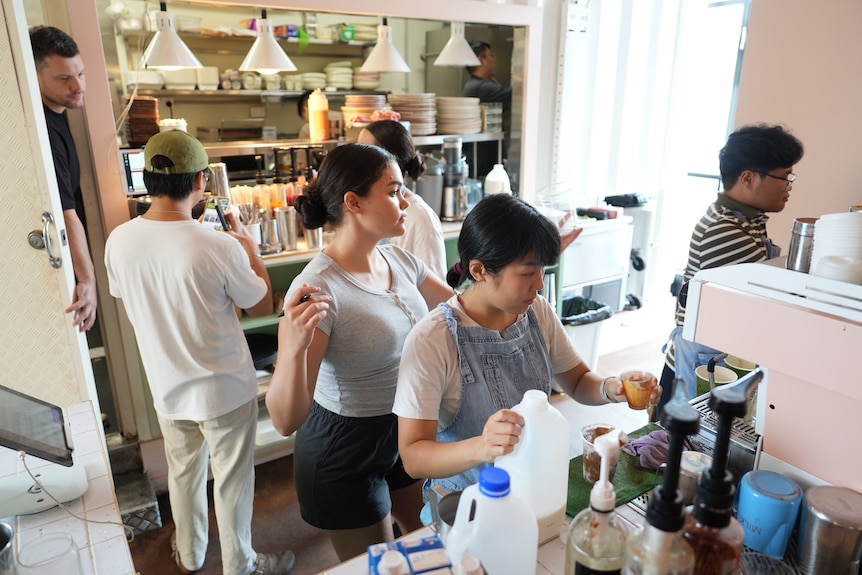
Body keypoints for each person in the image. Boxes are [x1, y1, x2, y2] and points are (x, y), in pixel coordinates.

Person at [105, 130, 296, 575]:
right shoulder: (217, 245)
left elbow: (123, 293)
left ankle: (189, 554)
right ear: (199, 182)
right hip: (224, 388)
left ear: (148, 180)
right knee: (232, 481)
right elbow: (261, 304)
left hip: (167, 384)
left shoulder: (120, 240)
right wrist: (252, 252)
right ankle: (240, 565)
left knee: (184, 473)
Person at [392, 194, 661, 497]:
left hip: (536, 485)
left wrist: (612, 388)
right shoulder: (433, 339)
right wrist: (482, 446)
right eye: (527, 273)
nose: (540, 284)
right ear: (479, 271)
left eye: (542, 270)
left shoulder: (537, 311)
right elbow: (414, 456)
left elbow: (577, 380)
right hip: (468, 501)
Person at [265, 143, 454, 561]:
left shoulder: (400, 260)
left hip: (403, 426)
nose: (406, 200)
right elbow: (283, 419)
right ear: (353, 202)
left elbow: (460, 309)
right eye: (394, 190)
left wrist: (510, 272)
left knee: (430, 549)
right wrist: (293, 349)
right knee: (383, 564)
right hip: (345, 449)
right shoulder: (317, 289)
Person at [654, 123, 804, 417]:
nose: (789, 186)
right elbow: (774, 301)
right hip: (704, 364)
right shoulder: (724, 230)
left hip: (711, 357)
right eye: (784, 177)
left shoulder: (742, 218)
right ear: (748, 178)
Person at [30, 26, 97, 332]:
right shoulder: (44, 129)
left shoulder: (57, 110)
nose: (78, 85)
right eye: (64, 79)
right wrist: (86, 279)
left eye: (80, 74)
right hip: (61, 264)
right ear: (36, 75)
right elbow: (65, 212)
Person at [358, 120, 448, 279]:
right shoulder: (371, 209)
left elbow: (436, 295)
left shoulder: (420, 218)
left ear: (390, 161)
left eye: (365, 151)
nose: (356, 160)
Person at [463, 40, 513, 180]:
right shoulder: (479, 87)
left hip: (483, 155)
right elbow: (515, 92)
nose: (495, 60)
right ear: (481, 60)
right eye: (491, 55)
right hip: (481, 157)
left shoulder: (477, 85)